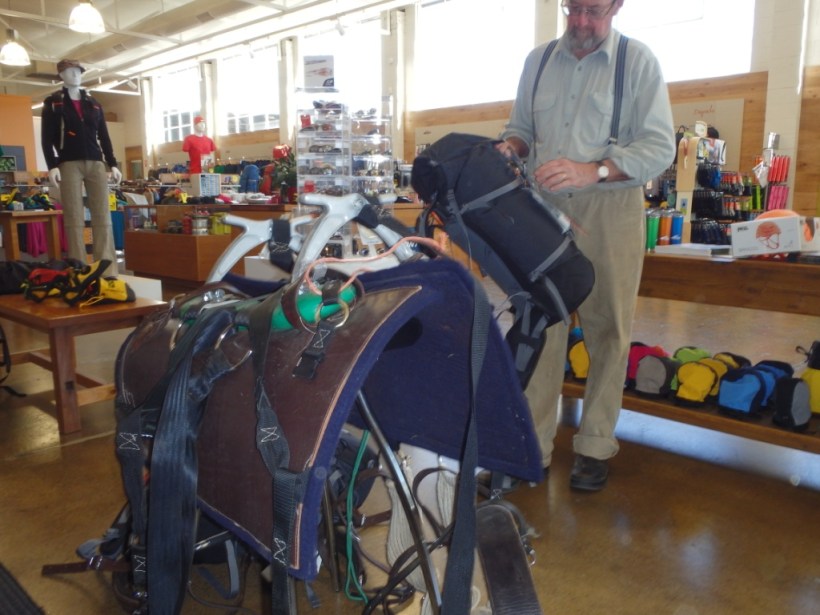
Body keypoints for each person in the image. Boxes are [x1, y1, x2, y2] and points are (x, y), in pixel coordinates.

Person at [497, 0, 675, 491]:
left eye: (593, 11)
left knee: (607, 329)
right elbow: (523, 130)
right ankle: (531, 446)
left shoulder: (637, 63)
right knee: (541, 327)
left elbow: (659, 147)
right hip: (542, 211)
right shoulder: (537, 62)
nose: (580, 23)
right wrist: (510, 147)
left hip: (610, 209)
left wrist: (593, 168)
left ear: (617, 6)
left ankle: (595, 444)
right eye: (572, 8)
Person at [42, 59, 121, 276]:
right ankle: (78, 268)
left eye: (78, 71)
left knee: (103, 216)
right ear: (61, 75)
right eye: (69, 71)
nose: (75, 74)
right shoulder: (53, 103)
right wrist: (52, 165)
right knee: (73, 217)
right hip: (68, 164)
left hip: (96, 163)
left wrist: (112, 163)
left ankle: (107, 270)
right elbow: (46, 138)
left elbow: (104, 136)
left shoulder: (93, 103)